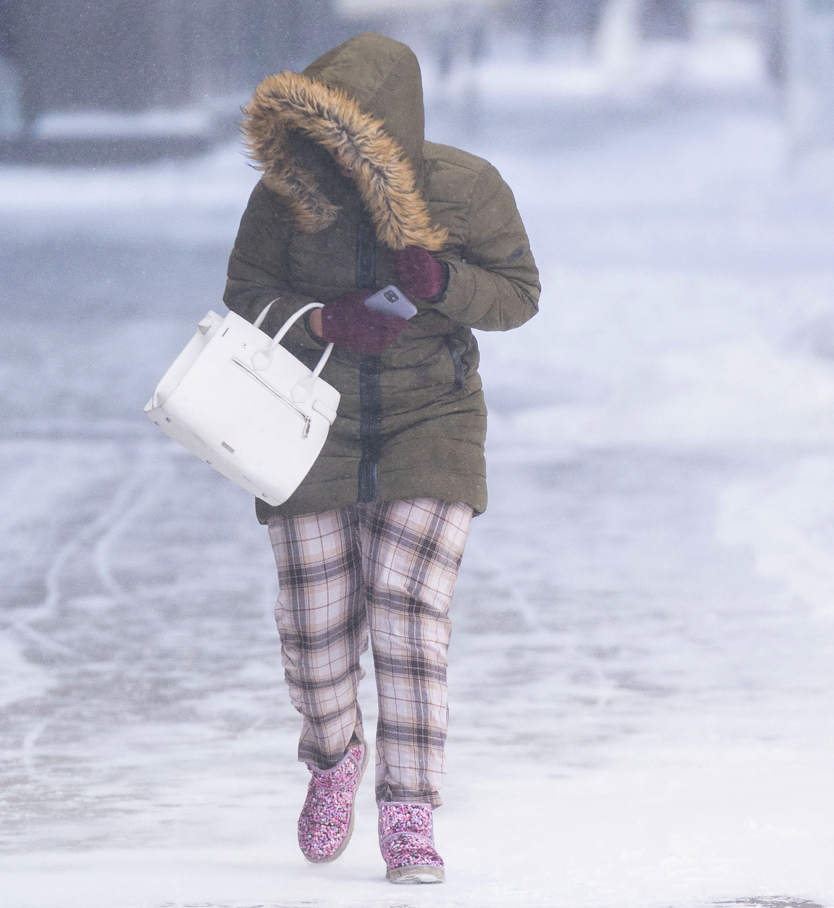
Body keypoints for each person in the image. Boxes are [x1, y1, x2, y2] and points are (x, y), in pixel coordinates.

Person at [223, 32, 539, 883]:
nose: (328, 159)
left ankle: (409, 812)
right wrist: (325, 320)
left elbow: (519, 293)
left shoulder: (467, 190)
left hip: (431, 421)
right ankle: (334, 758)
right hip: (304, 424)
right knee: (315, 627)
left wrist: (443, 284)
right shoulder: (282, 199)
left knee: (407, 605)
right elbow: (244, 297)